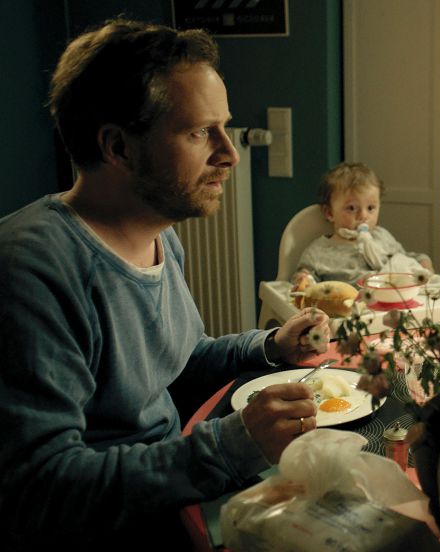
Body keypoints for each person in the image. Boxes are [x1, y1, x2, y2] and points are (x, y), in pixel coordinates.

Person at [0, 19, 333, 549]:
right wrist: (227, 448)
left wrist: (268, 346)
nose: (230, 153)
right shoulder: (32, 269)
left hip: (176, 490)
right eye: (201, 132)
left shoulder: (161, 236)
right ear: (119, 147)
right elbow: (41, 489)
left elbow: (175, 364)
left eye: (225, 127)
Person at [293, 162, 434, 286]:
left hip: (393, 301)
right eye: (352, 208)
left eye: (371, 208)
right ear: (329, 213)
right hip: (352, 310)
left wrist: (423, 263)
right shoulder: (319, 251)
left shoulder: (382, 236)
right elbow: (305, 277)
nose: (363, 216)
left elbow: (404, 259)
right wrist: (303, 278)